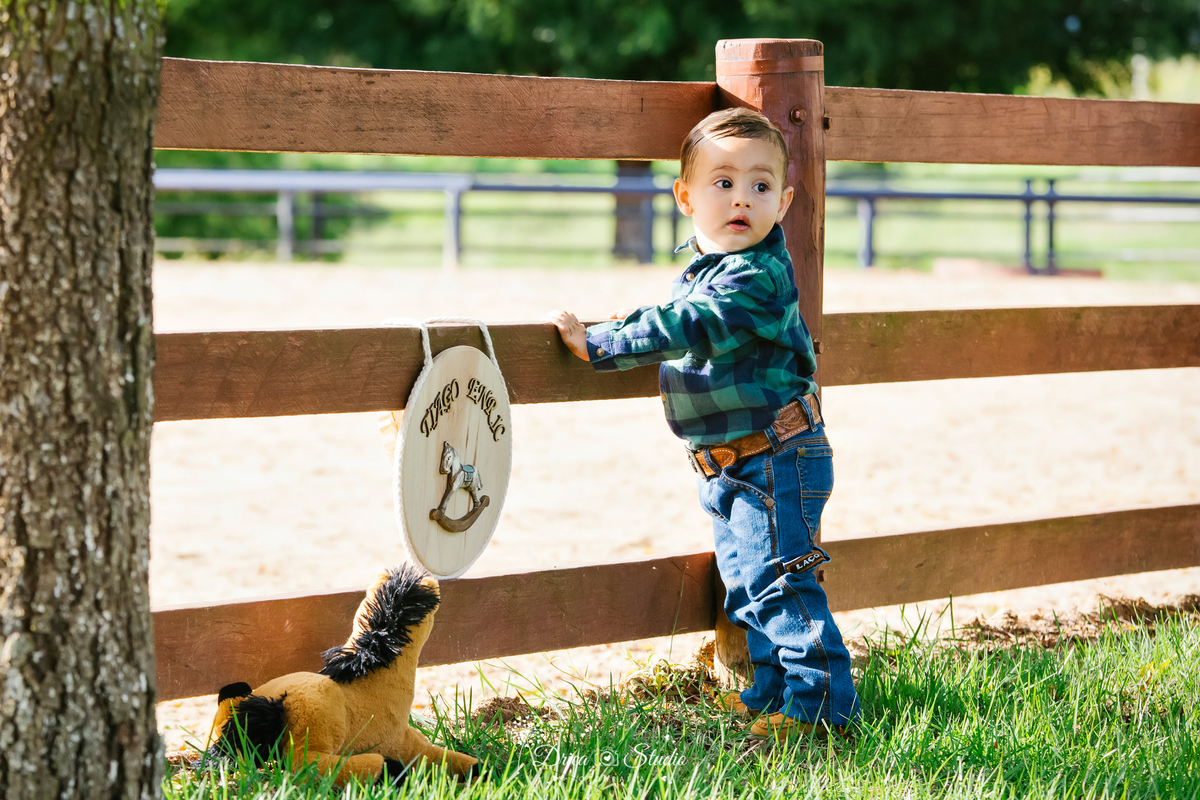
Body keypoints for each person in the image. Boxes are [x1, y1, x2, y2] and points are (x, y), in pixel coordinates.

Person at [544, 107, 860, 738]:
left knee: (779, 585)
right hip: (732, 463)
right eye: (723, 183)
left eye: (761, 186)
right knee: (746, 587)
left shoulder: (757, 276)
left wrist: (603, 342)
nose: (742, 197)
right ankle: (774, 692)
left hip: (776, 456)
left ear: (785, 200)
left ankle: (823, 709)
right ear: (686, 196)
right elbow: (677, 310)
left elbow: (689, 324)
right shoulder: (709, 270)